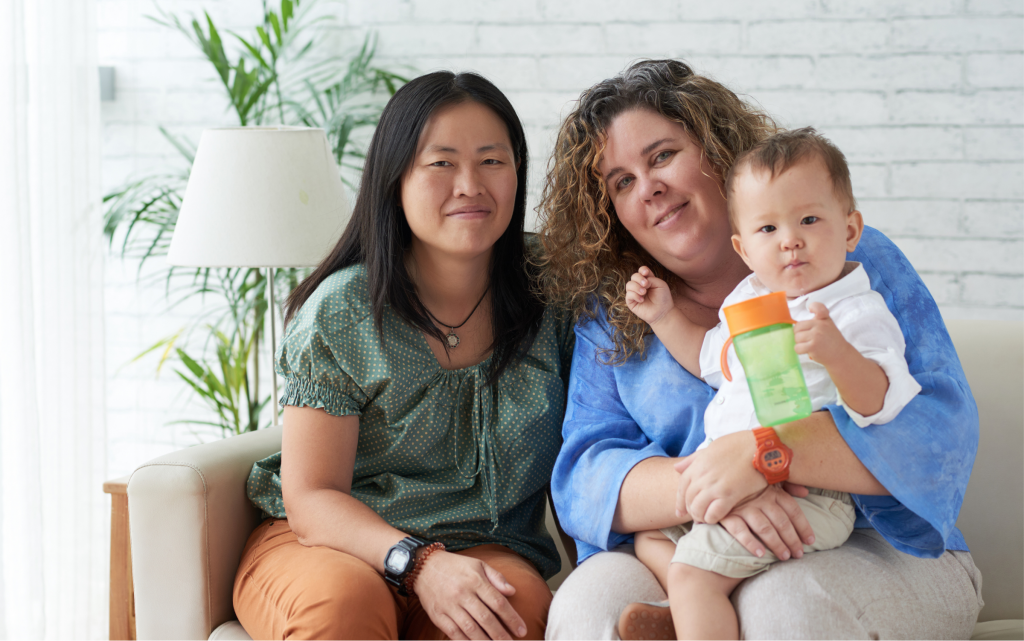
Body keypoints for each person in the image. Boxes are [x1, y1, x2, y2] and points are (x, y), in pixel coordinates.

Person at [536, 59, 983, 640]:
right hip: (698, 532)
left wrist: (764, 456)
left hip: (874, 541)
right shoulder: (618, 312)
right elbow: (584, 477)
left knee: (782, 605)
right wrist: (713, 489)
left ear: (717, 151)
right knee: (589, 610)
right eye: (622, 181)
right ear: (610, 212)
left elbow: (936, 432)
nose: (649, 188)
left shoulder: (849, 264)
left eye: (662, 156)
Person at [232, 71, 574, 640]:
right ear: (395, 179)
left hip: (485, 547)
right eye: (441, 163)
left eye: (492, 161)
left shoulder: (555, 294)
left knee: (511, 608)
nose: (470, 184)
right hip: (333, 544)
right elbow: (313, 497)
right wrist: (420, 563)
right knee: (346, 604)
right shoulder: (343, 310)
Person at [622, 128, 922, 639]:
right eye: (767, 229)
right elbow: (709, 359)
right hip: (731, 481)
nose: (790, 240)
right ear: (743, 246)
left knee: (693, 574)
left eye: (809, 219)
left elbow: (881, 400)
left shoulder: (853, 310)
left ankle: (698, 607)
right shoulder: (750, 302)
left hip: (807, 494)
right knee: (650, 536)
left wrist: (838, 354)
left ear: (850, 230)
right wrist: (663, 318)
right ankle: (694, 615)